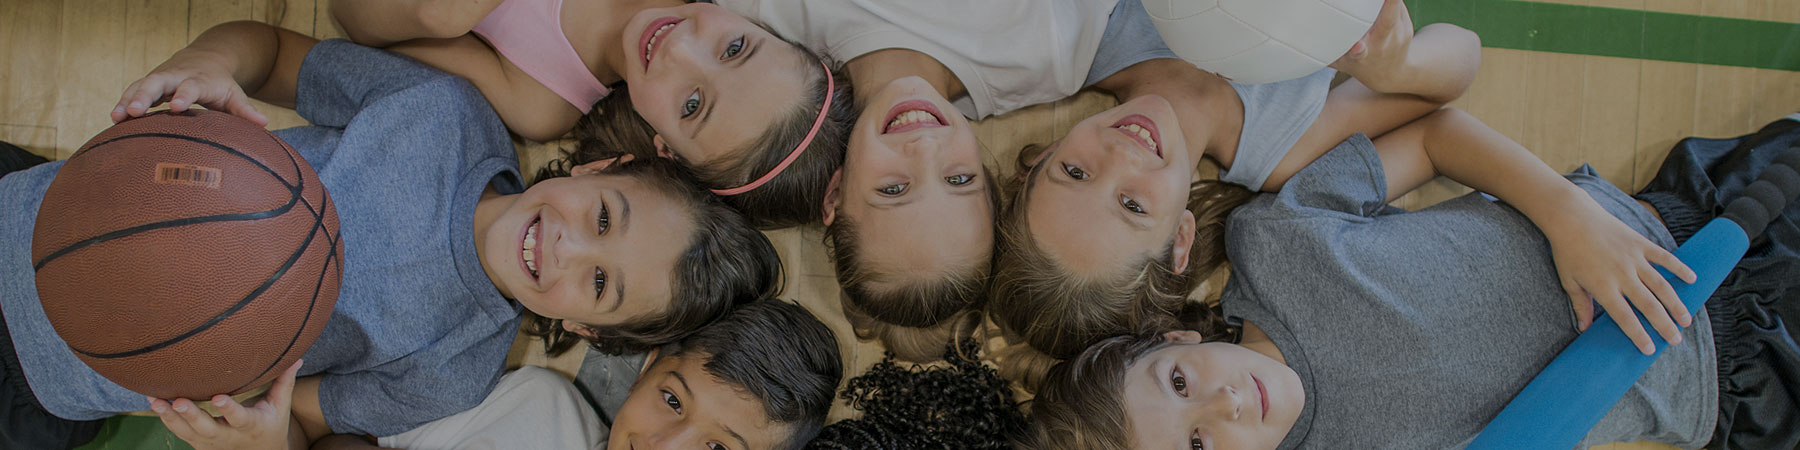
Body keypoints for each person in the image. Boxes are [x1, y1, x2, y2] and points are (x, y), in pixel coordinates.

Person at [0, 21, 780, 450]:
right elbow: (270, 54)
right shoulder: (446, 113)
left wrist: (264, 441)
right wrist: (202, 67)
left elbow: (303, 415)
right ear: (598, 166)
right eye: (606, 216)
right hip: (40, 210)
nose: (571, 248)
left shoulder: (456, 370)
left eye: (600, 285)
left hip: (56, 383)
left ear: (582, 327)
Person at [1018, 117, 1800, 449]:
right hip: (1728, 376)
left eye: (1180, 381)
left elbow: (1434, 138)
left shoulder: (1279, 244)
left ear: (1174, 337)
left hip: (1683, 214)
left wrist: (1568, 217)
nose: (1222, 407)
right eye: (1195, 447)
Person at [316, 0, 856, 230]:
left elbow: (352, 21)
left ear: (665, 148)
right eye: (736, 48)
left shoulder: (541, 99)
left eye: (692, 105)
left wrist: (431, 13)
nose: (681, 49)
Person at [308, 300, 843, 450]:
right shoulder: (535, 404)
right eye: (674, 402)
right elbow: (339, 435)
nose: (664, 445)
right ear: (647, 369)